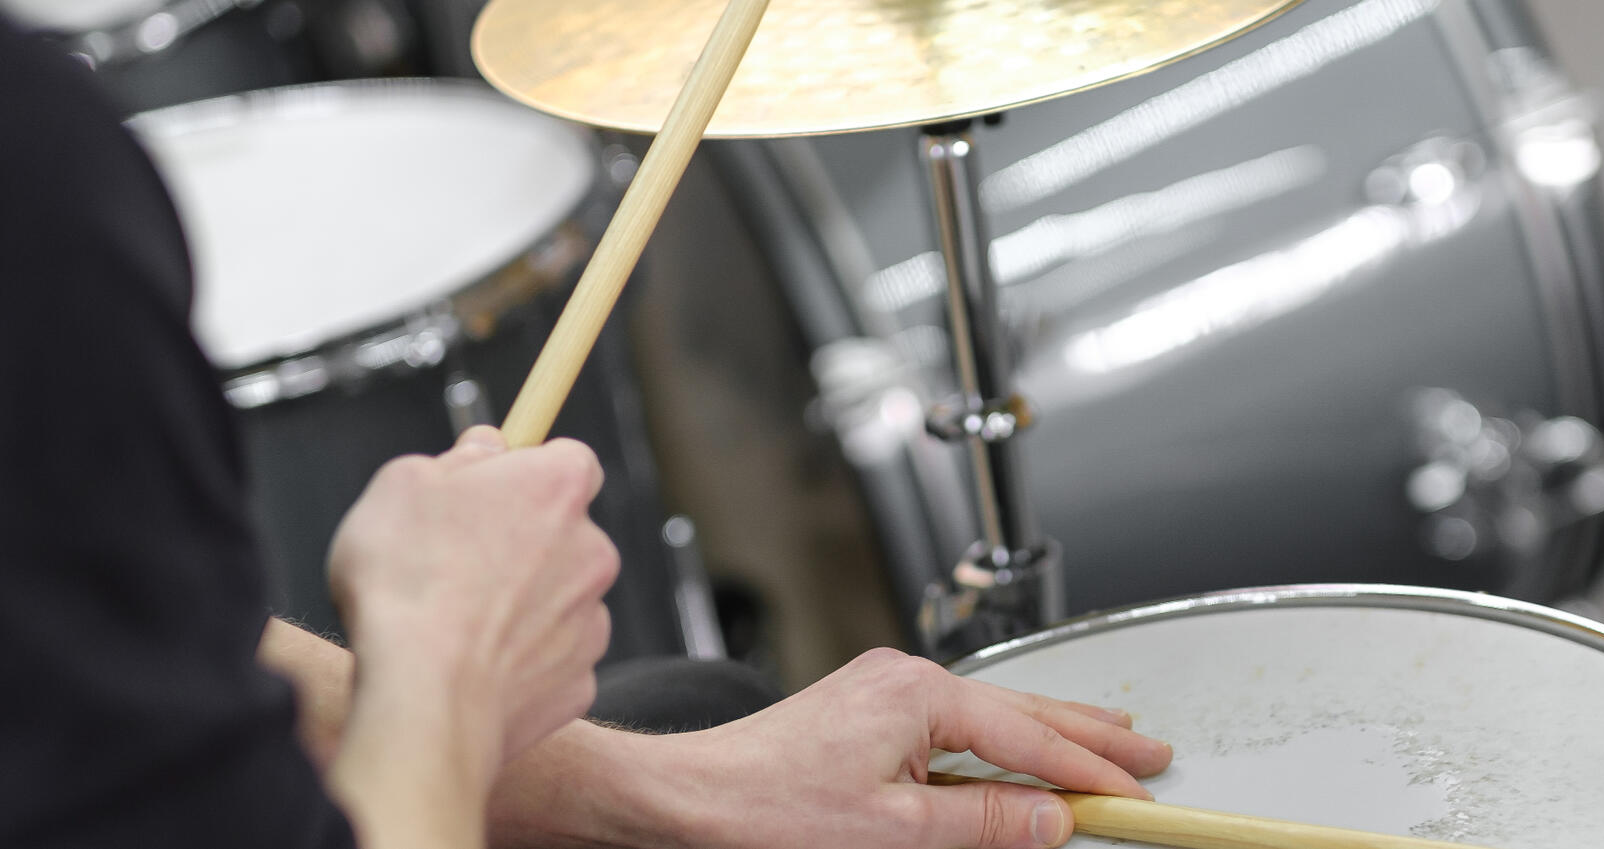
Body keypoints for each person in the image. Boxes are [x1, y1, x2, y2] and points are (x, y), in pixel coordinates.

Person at [0, 20, 1171, 849]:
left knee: (697, 702)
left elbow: (105, 675)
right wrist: (447, 668)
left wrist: (684, 790)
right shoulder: (31, 181)